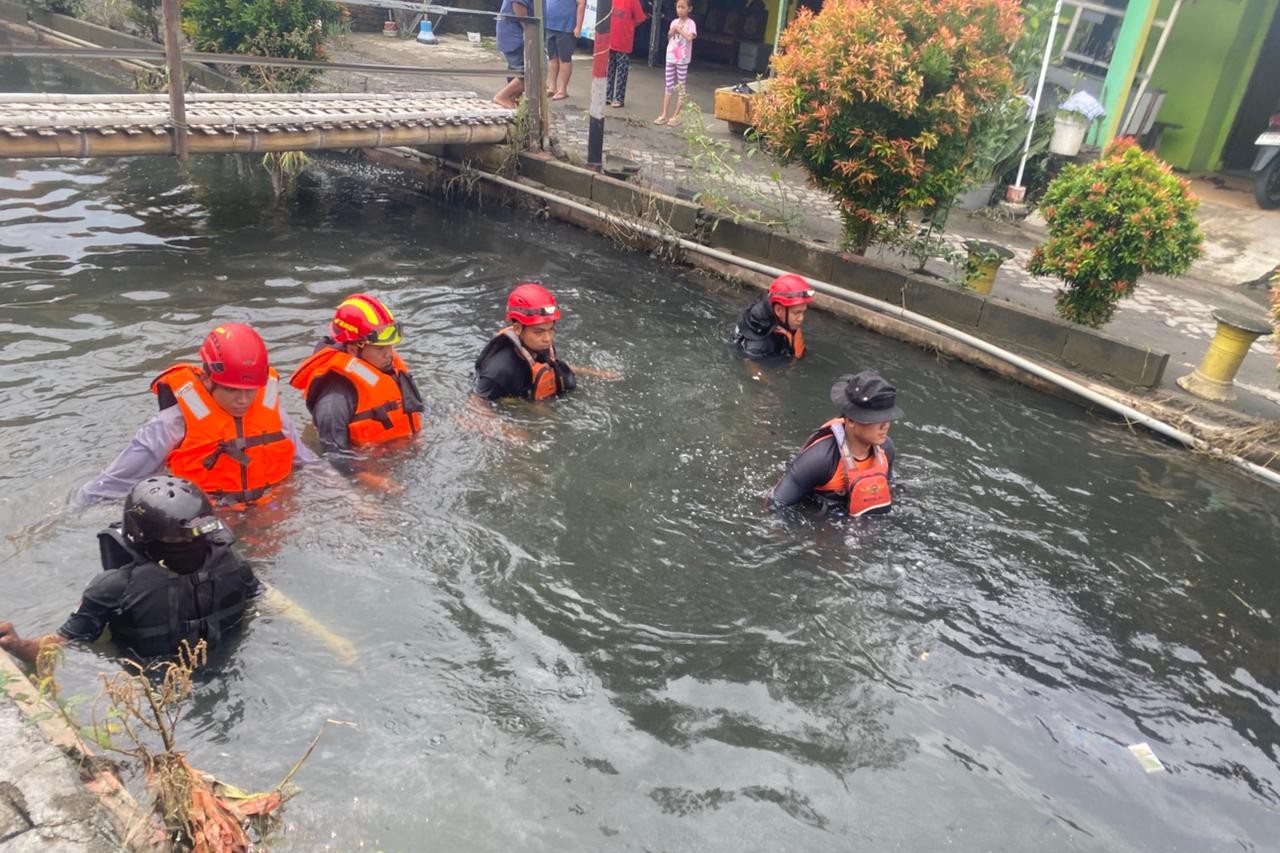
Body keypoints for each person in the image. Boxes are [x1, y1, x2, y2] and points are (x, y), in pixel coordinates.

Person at [1, 477, 261, 664]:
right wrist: (19, 646)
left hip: (229, 660)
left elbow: (261, 600)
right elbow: (64, 642)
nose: (189, 546)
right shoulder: (114, 587)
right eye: (175, 541)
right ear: (145, 539)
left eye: (195, 537)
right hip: (151, 683)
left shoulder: (231, 562)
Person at [75, 323, 317, 508]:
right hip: (206, 524)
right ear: (207, 378)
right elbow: (106, 487)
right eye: (232, 390)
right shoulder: (170, 426)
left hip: (269, 515)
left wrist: (350, 498)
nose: (243, 400)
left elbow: (312, 466)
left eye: (250, 391)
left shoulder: (276, 417)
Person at [288, 293, 424, 456]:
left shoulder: (388, 366)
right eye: (380, 348)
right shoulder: (333, 401)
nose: (389, 354)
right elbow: (335, 457)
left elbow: (414, 407)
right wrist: (371, 480)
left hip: (403, 449)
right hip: (370, 465)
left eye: (390, 346)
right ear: (353, 349)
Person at [767, 370, 902, 516]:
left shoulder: (886, 449)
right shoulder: (819, 460)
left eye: (888, 417)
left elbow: (887, 487)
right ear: (850, 420)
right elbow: (776, 504)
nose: (885, 426)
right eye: (877, 419)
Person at [472, 283, 618, 402]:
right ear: (517, 328)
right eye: (539, 331)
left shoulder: (537, 345)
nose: (548, 338)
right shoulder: (498, 371)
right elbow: (474, 408)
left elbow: (552, 364)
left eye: (551, 330)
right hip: (508, 401)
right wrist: (510, 431)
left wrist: (595, 373)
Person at [733, 273, 816, 360]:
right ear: (778, 310)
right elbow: (751, 364)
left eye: (803, 312)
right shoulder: (760, 345)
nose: (801, 318)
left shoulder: (776, 311)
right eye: (797, 313)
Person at [654, 0, 696, 126]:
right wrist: (672, 31)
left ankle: (676, 115)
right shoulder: (673, 22)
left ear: (689, 9)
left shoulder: (691, 23)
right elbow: (669, 37)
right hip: (671, 57)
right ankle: (664, 114)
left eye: (683, 7)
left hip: (682, 59)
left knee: (681, 87)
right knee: (668, 85)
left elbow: (690, 37)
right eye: (678, 7)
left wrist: (679, 30)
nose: (680, 10)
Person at [605, 0, 647, 108]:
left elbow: (640, 18)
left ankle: (619, 99)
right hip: (609, 42)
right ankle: (607, 96)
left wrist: (629, 26)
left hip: (624, 43)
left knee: (622, 72)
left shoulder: (633, 1)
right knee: (609, 70)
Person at [545, 0, 586, 100]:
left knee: (564, 59)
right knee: (552, 58)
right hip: (549, 25)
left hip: (566, 27)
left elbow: (581, 3)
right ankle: (552, 87)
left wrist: (578, 26)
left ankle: (563, 90)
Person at [493, 0, 531, 108]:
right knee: (530, 73)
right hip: (516, 35)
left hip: (514, 33)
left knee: (516, 70)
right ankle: (503, 96)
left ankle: (512, 99)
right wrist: (529, 30)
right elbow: (518, 5)